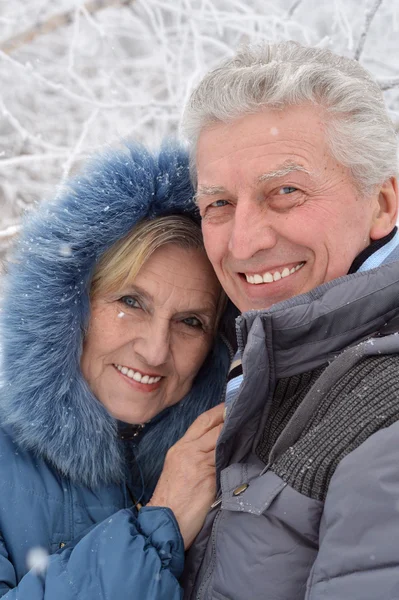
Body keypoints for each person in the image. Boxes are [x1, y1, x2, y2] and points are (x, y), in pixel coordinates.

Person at [180, 41, 399, 599]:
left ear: (382, 203)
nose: (245, 241)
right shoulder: (247, 369)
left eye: (285, 191)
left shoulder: (384, 409)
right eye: (218, 205)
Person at [0, 143, 231, 598]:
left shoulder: (227, 463)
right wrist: (155, 527)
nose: (154, 351)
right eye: (131, 302)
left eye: (190, 322)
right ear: (73, 308)